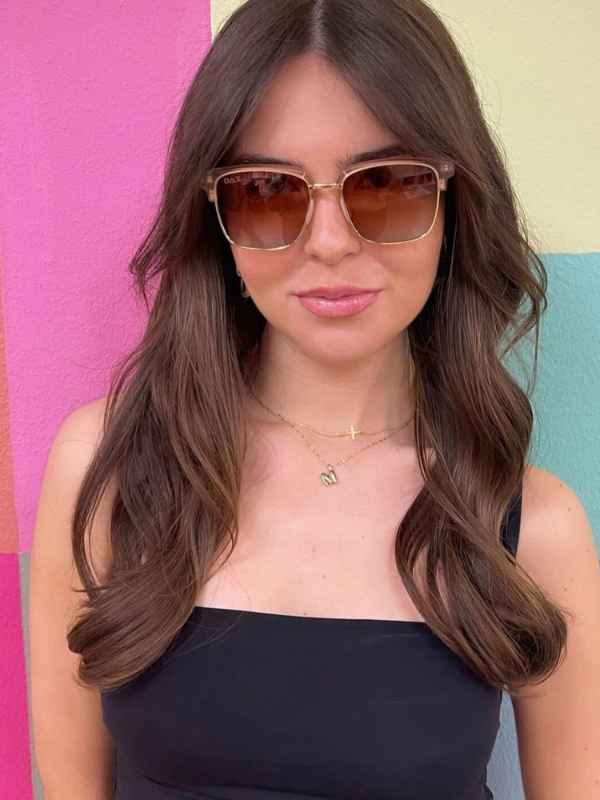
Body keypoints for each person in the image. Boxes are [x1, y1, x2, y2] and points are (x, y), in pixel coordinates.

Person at [29, 1, 600, 798]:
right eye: (268, 189)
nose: (329, 241)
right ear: (216, 216)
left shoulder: (533, 530)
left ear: (453, 204)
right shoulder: (110, 470)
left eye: (387, 184)